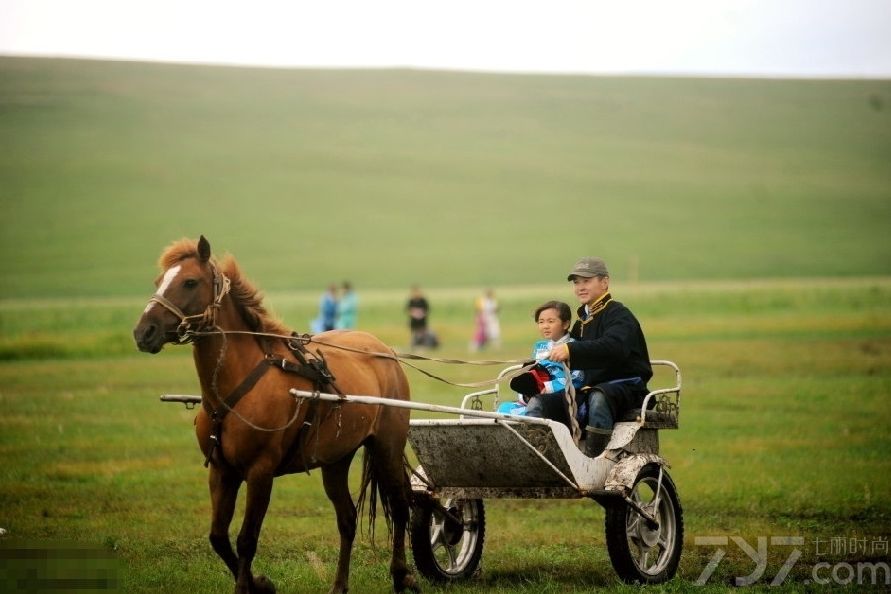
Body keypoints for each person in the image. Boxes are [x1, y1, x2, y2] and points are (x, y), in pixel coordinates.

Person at [547, 257, 653, 458]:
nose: (580, 287)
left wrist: (572, 350)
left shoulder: (620, 315)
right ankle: (552, 463)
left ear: (605, 282)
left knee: (598, 398)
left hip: (626, 387)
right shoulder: (581, 322)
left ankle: (594, 463)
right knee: (543, 402)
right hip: (591, 388)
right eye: (576, 282)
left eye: (586, 280)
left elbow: (614, 348)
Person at [503, 301, 586, 426]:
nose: (545, 326)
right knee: (504, 408)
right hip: (536, 396)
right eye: (541, 322)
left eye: (551, 321)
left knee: (536, 405)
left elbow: (578, 378)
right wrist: (525, 393)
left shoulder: (575, 347)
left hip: (561, 399)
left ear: (566, 324)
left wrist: (547, 387)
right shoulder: (539, 346)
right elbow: (533, 373)